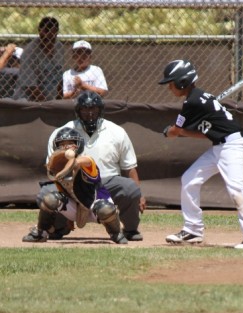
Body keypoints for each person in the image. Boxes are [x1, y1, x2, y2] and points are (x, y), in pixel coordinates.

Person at [159, 59, 243, 249]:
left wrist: (169, 132)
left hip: (233, 146)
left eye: (171, 83)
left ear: (182, 81)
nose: (170, 88)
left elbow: (175, 131)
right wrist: (181, 132)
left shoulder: (192, 102)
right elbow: (206, 133)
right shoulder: (198, 98)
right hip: (220, 145)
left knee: (236, 188)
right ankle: (193, 230)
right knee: (189, 179)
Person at [37, 90, 146, 241]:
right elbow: (53, 169)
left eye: (93, 109)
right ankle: (58, 227)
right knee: (45, 194)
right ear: (78, 111)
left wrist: (139, 195)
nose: (89, 113)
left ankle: (130, 230)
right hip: (71, 183)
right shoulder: (62, 133)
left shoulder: (117, 131)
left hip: (107, 181)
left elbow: (129, 167)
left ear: (100, 110)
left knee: (130, 188)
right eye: (84, 109)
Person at [22, 127, 128, 244]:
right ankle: (41, 232)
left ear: (79, 145)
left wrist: (73, 163)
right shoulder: (57, 168)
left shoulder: (87, 160)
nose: (66, 147)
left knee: (105, 209)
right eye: (62, 144)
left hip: (95, 204)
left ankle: (116, 232)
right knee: (50, 199)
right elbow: (64, 192)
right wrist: (69, 218)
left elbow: (84, 161)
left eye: (71, 143)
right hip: (76, 207)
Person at [13, 16, 64, 101]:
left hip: (50, 100)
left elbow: (59, 80)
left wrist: (58, 101)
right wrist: (47, 105)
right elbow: (31, 87)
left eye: (53, 31)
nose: (49, 35)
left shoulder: (59, 48)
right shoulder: (30, 52)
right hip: (28, 100)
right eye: (46, 30)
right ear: (39, 30)